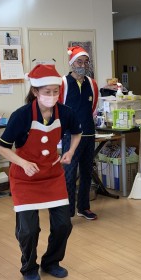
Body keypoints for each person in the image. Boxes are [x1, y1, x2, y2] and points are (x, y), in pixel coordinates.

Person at [0, 64, 82, 280]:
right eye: (47, 92)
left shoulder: (65, 113)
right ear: (35, 91)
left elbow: (77, 133)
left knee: (63, 224)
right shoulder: (21, 115)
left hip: (52, 175)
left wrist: (70, 151)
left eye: (56, 91)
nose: (52, 96)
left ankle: (51, 262)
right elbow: (3, 148)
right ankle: (28, 266)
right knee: (28, 230)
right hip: (24, 178)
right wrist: (23, 163)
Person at [59, 46, 99, 220]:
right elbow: (58, 109)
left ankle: (83, 207)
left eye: (85, 62)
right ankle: (67, 212)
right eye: (79, 62)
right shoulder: (63, 83)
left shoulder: (92, 84)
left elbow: (93, 107)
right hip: (70, 135)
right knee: (69, 174)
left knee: (86, 173)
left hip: (88, 134)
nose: (82, 65)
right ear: (72, 63)